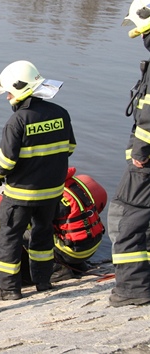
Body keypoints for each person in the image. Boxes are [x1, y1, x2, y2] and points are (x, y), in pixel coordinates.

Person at [0, 60, 76, 300]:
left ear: (20, 90)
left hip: (20, 195)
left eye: (9, 92)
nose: (8, 96)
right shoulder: (61, 114)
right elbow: (69, 147)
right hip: (51, 193)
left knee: (9, 239)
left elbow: (5, 164)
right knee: (42, 235)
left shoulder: (17, 121)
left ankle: (9, 290)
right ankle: (43, 282)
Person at [0, 167, 107, 282]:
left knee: (28, 233)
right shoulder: (74, 184)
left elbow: (15, 224)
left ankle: (57, 270)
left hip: (73, 251)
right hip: (92, 243)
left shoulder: (47, 195)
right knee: (57, 225)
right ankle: (78, 265)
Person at [106, 0, 150, 307]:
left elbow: (148, 115)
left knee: (126, 218)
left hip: (145, 164)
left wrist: (140, 153)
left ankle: (132, 288)